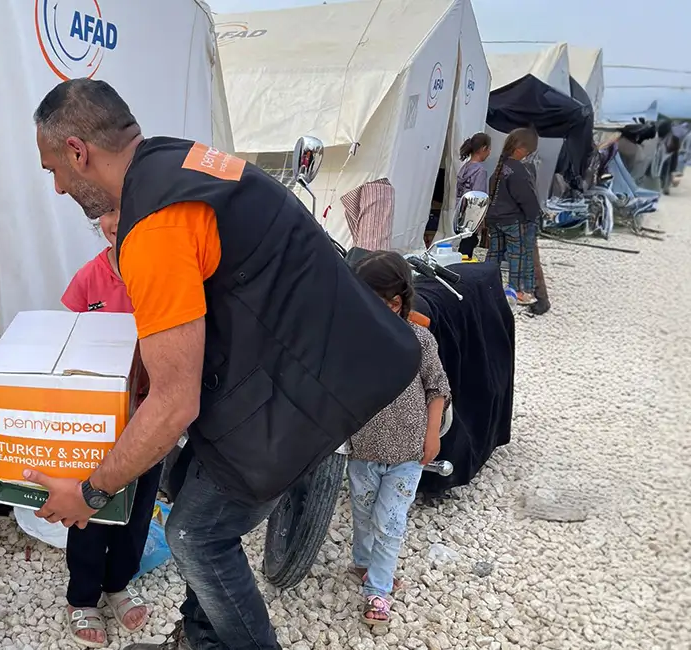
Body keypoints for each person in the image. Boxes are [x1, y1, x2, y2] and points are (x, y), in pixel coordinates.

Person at [25, 78, 421, 650]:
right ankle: (202, 638)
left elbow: (174, 402)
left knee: (194, 536)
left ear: (78, 152)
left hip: (309, 384)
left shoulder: (155, 225)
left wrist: (88, 491)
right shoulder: (176, 159)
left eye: (53, 170)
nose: (59, 188)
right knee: (186, 480)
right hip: (313, 355)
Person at [56, 210, 162, 648]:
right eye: (105, 213)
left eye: (125, 209)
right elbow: (63, 342)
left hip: (153, 413)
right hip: (97, 419)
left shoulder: (162, 271)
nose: (115, 221)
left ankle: (117, 583)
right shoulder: (88, 279)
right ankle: (81, 598)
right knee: (89, 509)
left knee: (138, 508)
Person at [344, 251, 450, 626]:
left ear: (403, 301)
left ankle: (378, 591)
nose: (385, 310)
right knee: (363, 512)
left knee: (390, 523)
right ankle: (364, 563)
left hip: (408, 453)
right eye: (376, 302)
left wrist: (432, 434)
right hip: (363, 449)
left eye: (393, 303)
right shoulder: (352, 343)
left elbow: (437, 388)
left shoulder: (420, 340)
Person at [481, 127, 551, 312]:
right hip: (513, 220)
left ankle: (487, 288)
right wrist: (534, 217)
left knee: (494, 255)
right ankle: (518, 291)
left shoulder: (500, 168)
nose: (529, 154)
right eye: (529, 151)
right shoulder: (518, 170)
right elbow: (526, 198)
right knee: (517, 256)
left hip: (494, 218)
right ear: (522, 149)